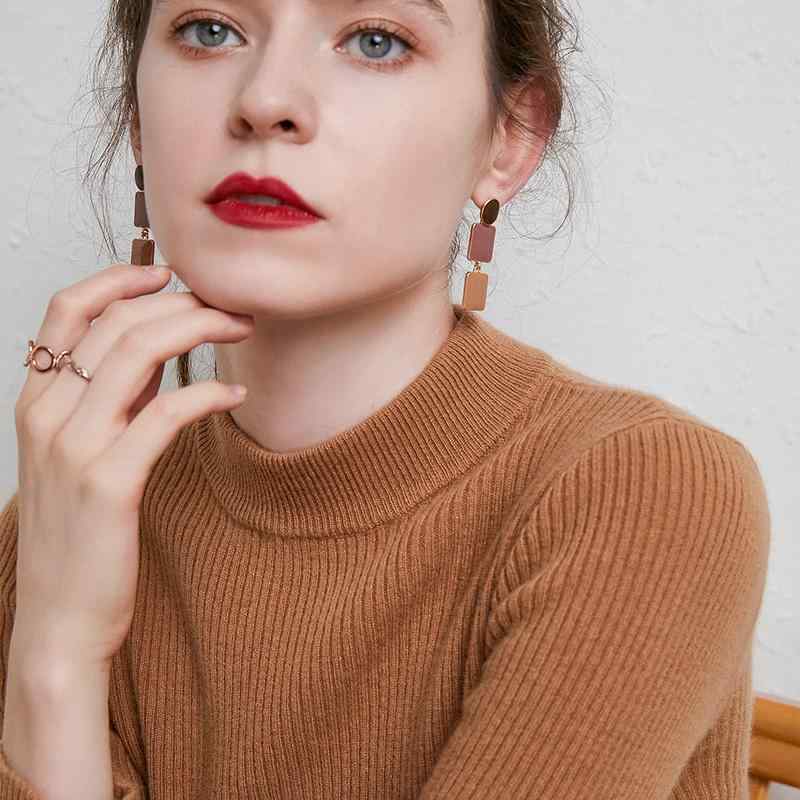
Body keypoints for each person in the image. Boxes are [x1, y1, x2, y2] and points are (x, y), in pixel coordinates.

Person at [0, 0, 771, 797]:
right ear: (136, 114)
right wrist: (57, 648)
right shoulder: (69, 516)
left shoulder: (642, 490)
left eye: (376, 41)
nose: (265, 100)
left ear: (510, 137)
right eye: (210, 30)